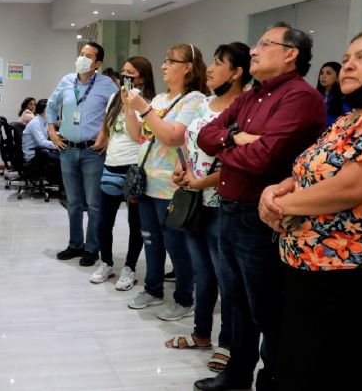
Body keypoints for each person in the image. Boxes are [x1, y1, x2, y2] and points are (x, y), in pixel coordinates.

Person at [194, 23, 325, 391]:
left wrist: (230, 146)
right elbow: (206, 135)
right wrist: (236, 137)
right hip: (229, 209)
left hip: (262, 217)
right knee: (235, 303)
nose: (253, 50)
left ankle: (272, 379)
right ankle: (237, 375)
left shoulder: (300, 97)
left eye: (264, 44)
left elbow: (264, 159)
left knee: (266, 309)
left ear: (290, 54)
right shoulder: (251, 95)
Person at [258, 28, 362, 391]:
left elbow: (351, 187)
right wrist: (278, 189)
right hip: (305, 265)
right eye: (345, 59)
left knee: (323, 370)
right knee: (295, 362)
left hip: (346, 274)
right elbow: (308, 170)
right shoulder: (346, 120)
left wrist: (278, 204)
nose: (347, 67)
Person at [167, 42, 251, 373]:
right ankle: (201, 334)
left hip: (222, 203)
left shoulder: (245, 109)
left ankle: (229, 344)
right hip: (195, 200)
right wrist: (182, 169)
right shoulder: (205, 103)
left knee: (227, 278)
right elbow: (189, 142)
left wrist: (202, 181)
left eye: (219, 63)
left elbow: (240, 161)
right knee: (203, 273)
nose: (211, 68)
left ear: (237, 72)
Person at [122, 43, 207, 321]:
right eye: (165, 60)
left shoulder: (193, 100)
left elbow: (173, 137)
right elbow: (138, 136)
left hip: (171, 185)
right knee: (150, 240)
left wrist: (144, 108)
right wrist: (127, 105)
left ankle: (184, 298)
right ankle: (153, 289)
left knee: (176, 246)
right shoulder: (158, 99)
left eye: (171, 61)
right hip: (146, 181)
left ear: (188, 68)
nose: (164, 65)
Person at [46, 41, 118, 267]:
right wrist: (52, 132)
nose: (82, 59)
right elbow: (50, 106)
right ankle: (75, 244)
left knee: (94, 204)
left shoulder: (107, 84)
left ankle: (92, 248)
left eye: (88, 56)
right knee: (74, 202)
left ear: (97, 63)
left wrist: (106, 133)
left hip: (93, 152)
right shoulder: (66, 81)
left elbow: (119, 110)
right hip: (67, 149)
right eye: (81, 54)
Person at [89, 56, 155, 291]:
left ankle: (129, 268)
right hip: (111, 165)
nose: (125, 76)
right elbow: (108, 129)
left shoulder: (146, 103)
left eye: (131, 73)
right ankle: (106, 262)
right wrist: (99, 142)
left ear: (142, 78)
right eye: (123, 72)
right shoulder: (112, 99)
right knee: (103, 221)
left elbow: (136, 134)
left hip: (133, 168)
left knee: (135, 223)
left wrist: (129, 103)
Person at [316, 61, 352, 128]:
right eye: (321, 73)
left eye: (328, 73)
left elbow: (347, 120)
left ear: (337, 77)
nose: (323, 76)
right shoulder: (315, 95)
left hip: (333, 134)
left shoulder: (344, 98)